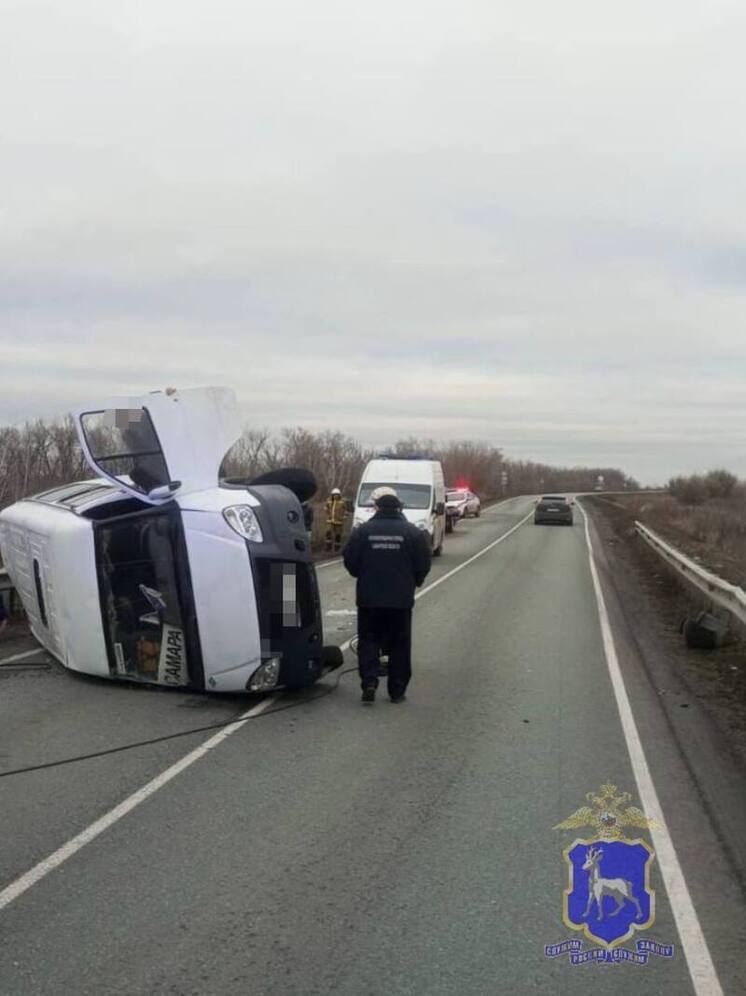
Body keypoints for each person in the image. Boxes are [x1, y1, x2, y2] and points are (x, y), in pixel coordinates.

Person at [343, 486, 431, 704]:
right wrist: (415, 581)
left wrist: (361, 575)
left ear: (376, 508)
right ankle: (397, 690)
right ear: (399, 508)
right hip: (400, 600)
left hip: (369, 598)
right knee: (400, 644)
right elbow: (423, 563)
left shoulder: (362, 532)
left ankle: (370, 682)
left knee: (369, 640)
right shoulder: (413, 533)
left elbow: (350, 560)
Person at [325, 487, 347, 554]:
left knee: (338, 534)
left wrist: (344, 517)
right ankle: (328, 547)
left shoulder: (342, 502)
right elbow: (326, 508)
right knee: (328, 532)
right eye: (334, 495)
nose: (335, 496)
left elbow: (347, 510)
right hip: (330, 521)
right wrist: (327, 513)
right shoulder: (329, 501)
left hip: (339, 521)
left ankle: (337, 547)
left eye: (336, 495)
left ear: (339, 495)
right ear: (332, 495)